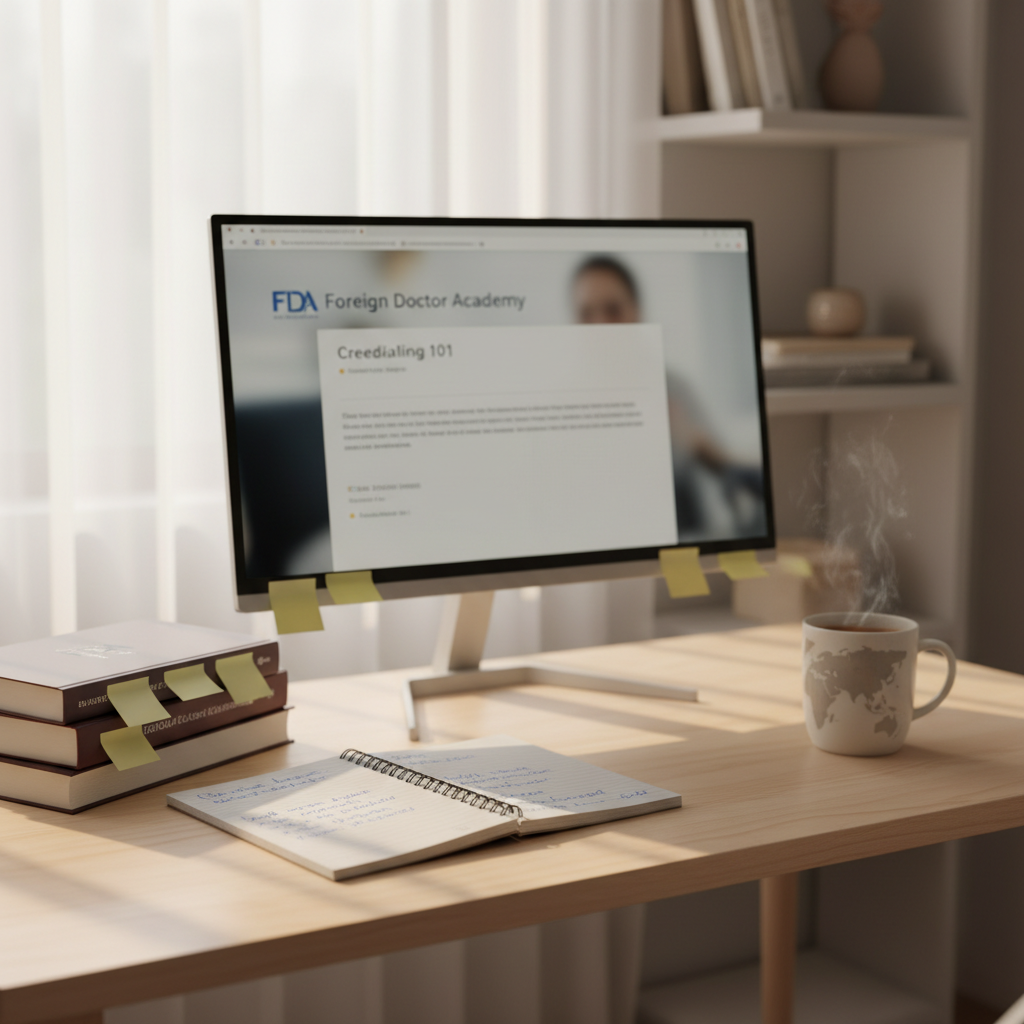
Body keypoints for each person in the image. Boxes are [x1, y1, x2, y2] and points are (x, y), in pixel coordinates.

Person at [571, 255, 764, 538]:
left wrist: (697, 445)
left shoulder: (674, 389)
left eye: (613, 310)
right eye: (587, 314)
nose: (600, 326)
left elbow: (725, 471)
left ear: (637, 311)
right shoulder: (563, 402)